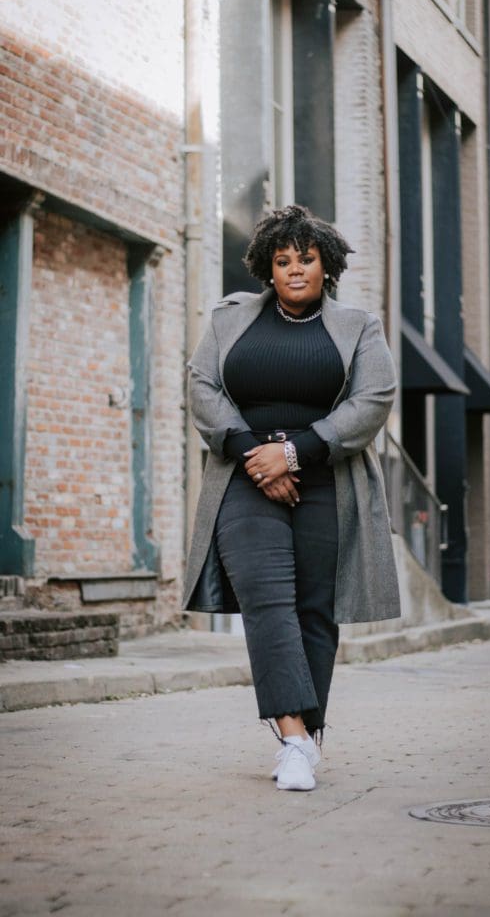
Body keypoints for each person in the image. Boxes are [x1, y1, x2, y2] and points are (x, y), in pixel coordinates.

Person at [182, 204, 400, 791]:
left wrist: (297, 452)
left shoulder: (358, 326)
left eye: (306, 259)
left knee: (314, 611)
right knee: (267, 600)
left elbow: (374, 399)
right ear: (267, 268)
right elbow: (201, 386)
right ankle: (294, 740)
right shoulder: (230, 321)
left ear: (325, 265)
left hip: (328, 480)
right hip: (244, 478)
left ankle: (308, 729)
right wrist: (258, 453)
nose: (295, 269)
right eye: (283, 261)